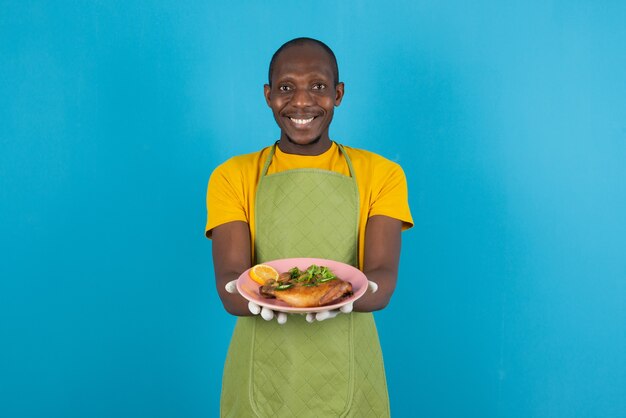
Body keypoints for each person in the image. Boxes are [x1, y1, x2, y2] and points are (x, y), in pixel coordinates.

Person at [205, 37, 413, 418]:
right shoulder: (232, 176)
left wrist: (339, 299)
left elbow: (382, 278)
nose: (301, 102)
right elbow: (230, 284)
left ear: (339, 93)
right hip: (260, 374)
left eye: (318, 86)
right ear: (268, 95)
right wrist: (251, 296)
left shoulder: (382, 175)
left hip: (350, 367)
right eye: (286, 87)